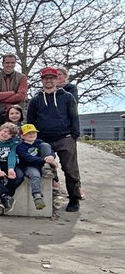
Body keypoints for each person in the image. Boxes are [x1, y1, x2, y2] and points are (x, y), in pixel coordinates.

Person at [26, 67, 82, 212]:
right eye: (46, 78)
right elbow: (30, 122)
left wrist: (74, 135)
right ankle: (45, 198)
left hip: (65, 138)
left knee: (70, 170)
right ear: (42, 80)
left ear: (57, 79)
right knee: (45, 168)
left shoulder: (67, 97)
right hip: (44, 140)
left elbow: (74, 116)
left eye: (52, 78)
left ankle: (74, 199)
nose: (49, 80)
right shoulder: (35, 100)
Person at [16, 123, 57, 210]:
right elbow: (28, 158)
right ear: (22, 136)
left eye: (33, 133)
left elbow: (51, 152)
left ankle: (47, 168)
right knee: (35, 175)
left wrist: (51, 157)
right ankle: (37, 197)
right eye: (28, 133)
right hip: (29, 166)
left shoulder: (40, 142)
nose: (31, 135)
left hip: (42, 165)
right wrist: (45, 159)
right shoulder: (20, 147)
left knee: (46, 145)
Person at [0, 122, 24, 214]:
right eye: (4, 131)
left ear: (11, 136)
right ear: (0, 131)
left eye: (9, 133)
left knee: (19, 176)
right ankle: (5, 197)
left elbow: (12, 155)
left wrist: (10, 169)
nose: (5, 134)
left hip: (10, 164)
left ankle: (3, 196)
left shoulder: (13, 143)